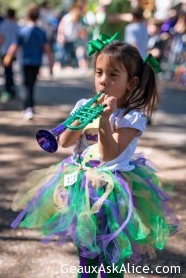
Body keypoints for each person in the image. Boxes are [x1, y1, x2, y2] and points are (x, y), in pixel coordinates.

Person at [11, 33, 180, 277]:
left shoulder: (131, 117)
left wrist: (103, 119)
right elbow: (65, 142)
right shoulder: (83, 104)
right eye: (99, 72)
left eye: (113, 75)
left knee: (111, 255)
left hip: (113, 190)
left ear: (130, 83)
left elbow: (109, 155)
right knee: (86, 252)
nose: (103, 81)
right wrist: (80, 118)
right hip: (82, 186)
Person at [4, 4, 54, 120]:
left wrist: (8, 57)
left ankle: (27, 107)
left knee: (26, 85)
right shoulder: (41, 32)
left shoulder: (23, 31)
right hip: (36, 62)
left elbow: (14, 46)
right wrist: (51, 65)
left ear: (27, 16)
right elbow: (47, 49)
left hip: (25, 62)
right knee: (31, 85)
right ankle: (28, 106)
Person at [0, 8, 19, 102]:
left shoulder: (3, 25)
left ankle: (8, 89)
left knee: (7, 71)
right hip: (14, 52)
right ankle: (11, 88)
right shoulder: (17, 26)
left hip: (5, 51)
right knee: (10, 70)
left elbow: (0, 38)